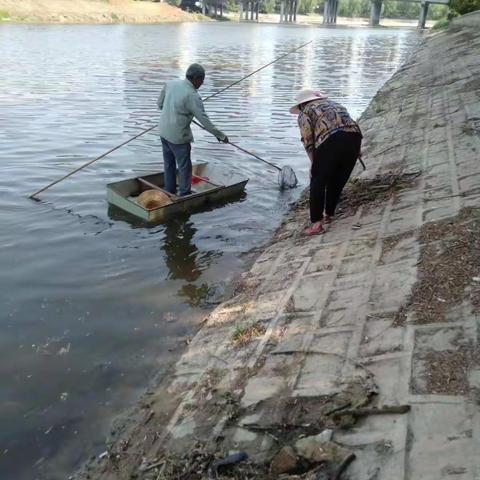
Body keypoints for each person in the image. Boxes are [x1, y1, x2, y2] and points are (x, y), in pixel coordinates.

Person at [290, 89, 362, 235]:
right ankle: (329, 214)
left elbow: (308, 141)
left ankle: (316, 224)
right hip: (354, 138)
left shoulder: (305, 113)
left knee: (318, 181)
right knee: (338, 179)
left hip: (331, 141)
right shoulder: (334, 104)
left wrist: (313, 164)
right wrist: (357, 149)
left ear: (302, 104)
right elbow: (351, 124)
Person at [157, 64, 228, 196]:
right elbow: (205, 121)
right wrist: (221, 136)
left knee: (169, 164)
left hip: (163, 132)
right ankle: (184, 194)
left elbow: (160, 104)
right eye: (202, 79)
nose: (202, 83)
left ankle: (169, 190)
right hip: (178, 138)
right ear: (195, 78)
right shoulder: (193, 96)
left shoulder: (171, 83)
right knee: (185, 168)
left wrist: (176, 112)